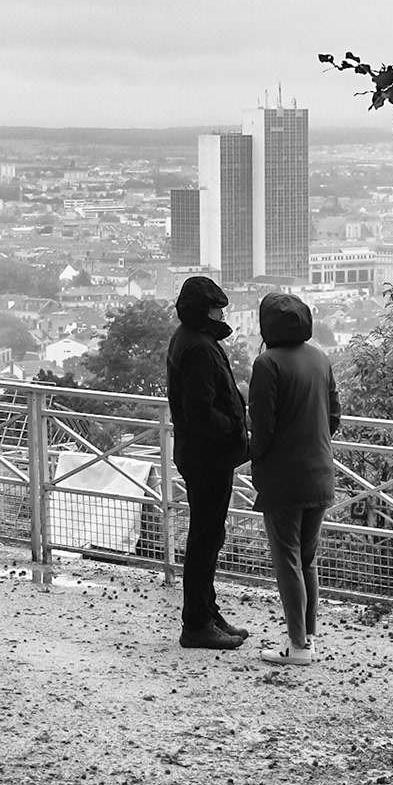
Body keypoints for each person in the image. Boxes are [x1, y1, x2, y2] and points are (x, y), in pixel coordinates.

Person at [247, 292, 341, 666]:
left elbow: (262, 427)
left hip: (285, 478)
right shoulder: (319, 356)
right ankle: (308, 638)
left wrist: (257, 461)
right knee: (307, 559)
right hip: (320, 471)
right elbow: (334, 415)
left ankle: (298, 646)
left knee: (287, 560)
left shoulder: (267, 363)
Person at [164, 275, 250, 650]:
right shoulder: (199, 347)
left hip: (200, 454)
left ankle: (207, 612)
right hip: (208, 456)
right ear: (205, 311)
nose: (221, 314)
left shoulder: (190, 339)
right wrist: (234, 428)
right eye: (216, 308)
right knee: (205, 539)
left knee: (208, 536)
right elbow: (201, 411)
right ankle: (197, 623)